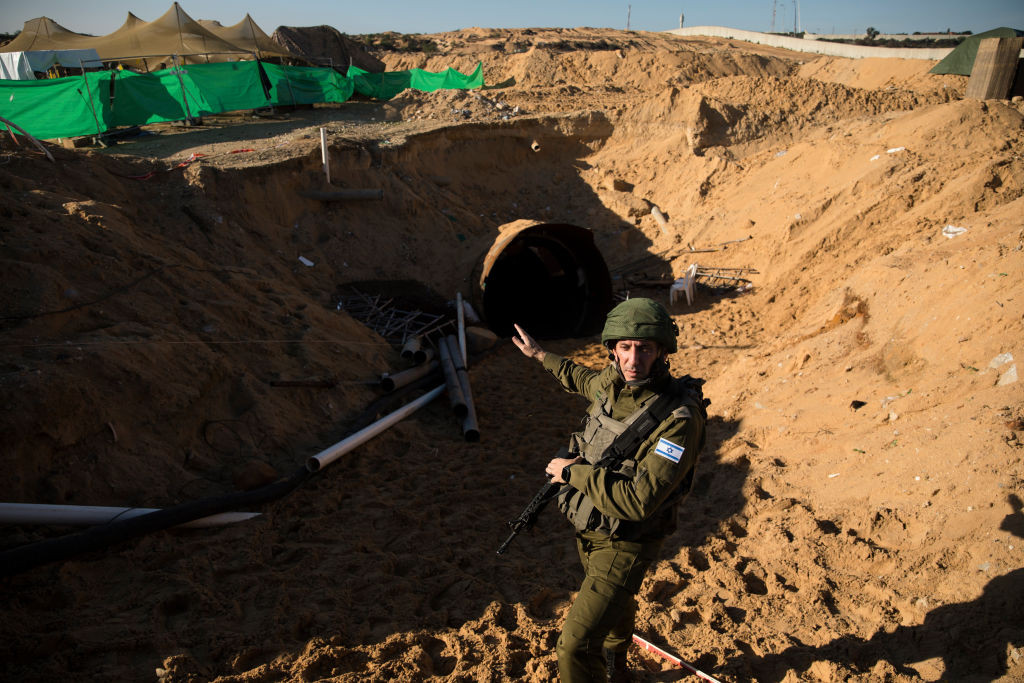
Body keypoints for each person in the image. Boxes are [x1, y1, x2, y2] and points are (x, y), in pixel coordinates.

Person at [512, 298, 708, 683]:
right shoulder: (612, 383)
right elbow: (581, 379)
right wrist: (540, 355)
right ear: (613, 350)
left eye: (645, 348)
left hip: (628, 541)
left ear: (662, 352)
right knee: (614, 608)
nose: (634, 359)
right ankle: (617, 665)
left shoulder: (678, 420)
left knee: (574, 647)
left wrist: (573, 474)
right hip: (592, 528)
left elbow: (638, 501)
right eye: (625, 348)